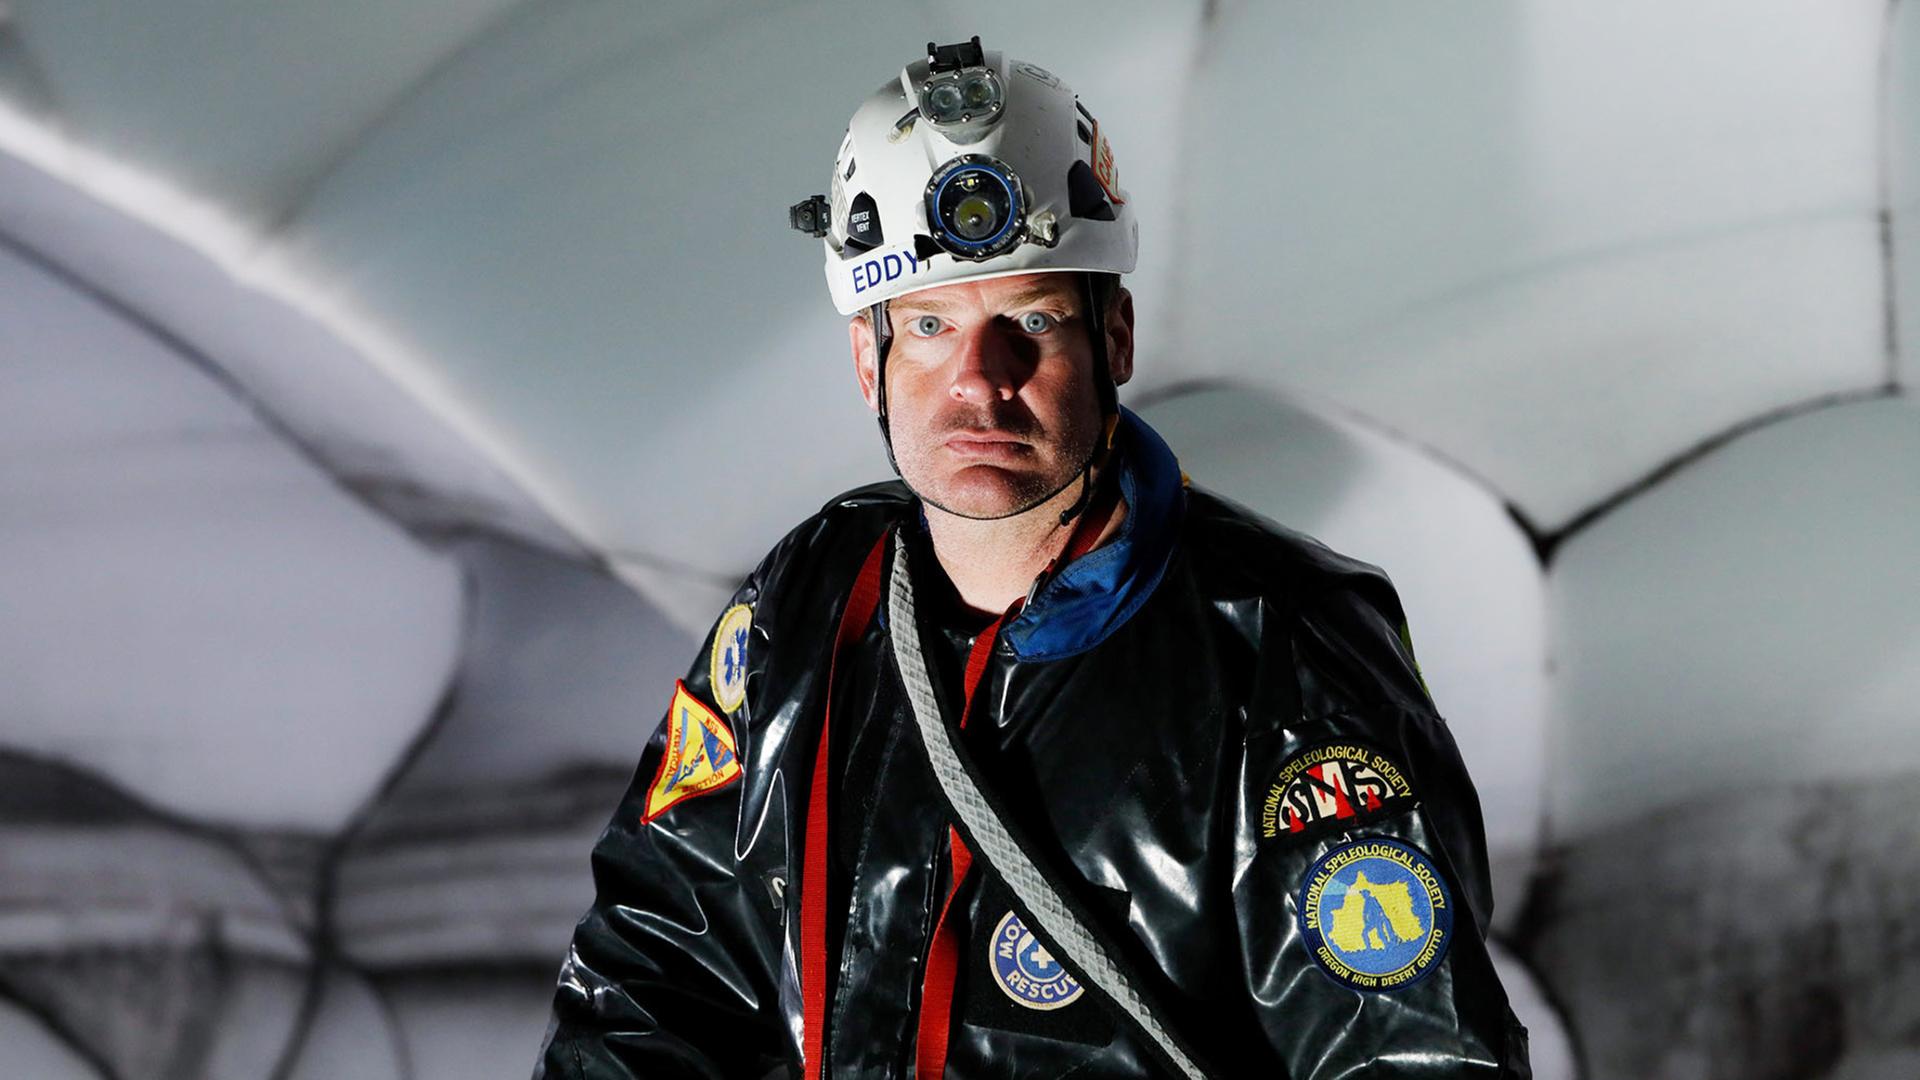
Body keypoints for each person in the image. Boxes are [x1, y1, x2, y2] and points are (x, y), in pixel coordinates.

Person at [535, 36, 1530, 1079]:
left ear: (1117, 338)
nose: (980, 379)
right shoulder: (809, 599)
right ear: (865, 358)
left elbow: (1417, 1057)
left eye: (1032, 319)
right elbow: (653, 966)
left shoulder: (1284, 649)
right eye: (927, 325)